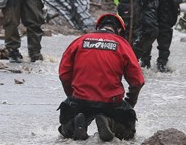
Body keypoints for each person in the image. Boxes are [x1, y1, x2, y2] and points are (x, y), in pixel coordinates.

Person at [58, 13, 144, 141]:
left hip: (81, 100)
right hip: (111, 102)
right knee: (128, 132)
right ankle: (110, 123)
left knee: (65, 127)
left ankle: (76, 123)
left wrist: (72, 96)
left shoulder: (79, 41)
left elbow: (64, 74)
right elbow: (137, 81)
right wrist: (129, 103)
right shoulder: (122, 44)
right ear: (119, 30)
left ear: (98, 26)